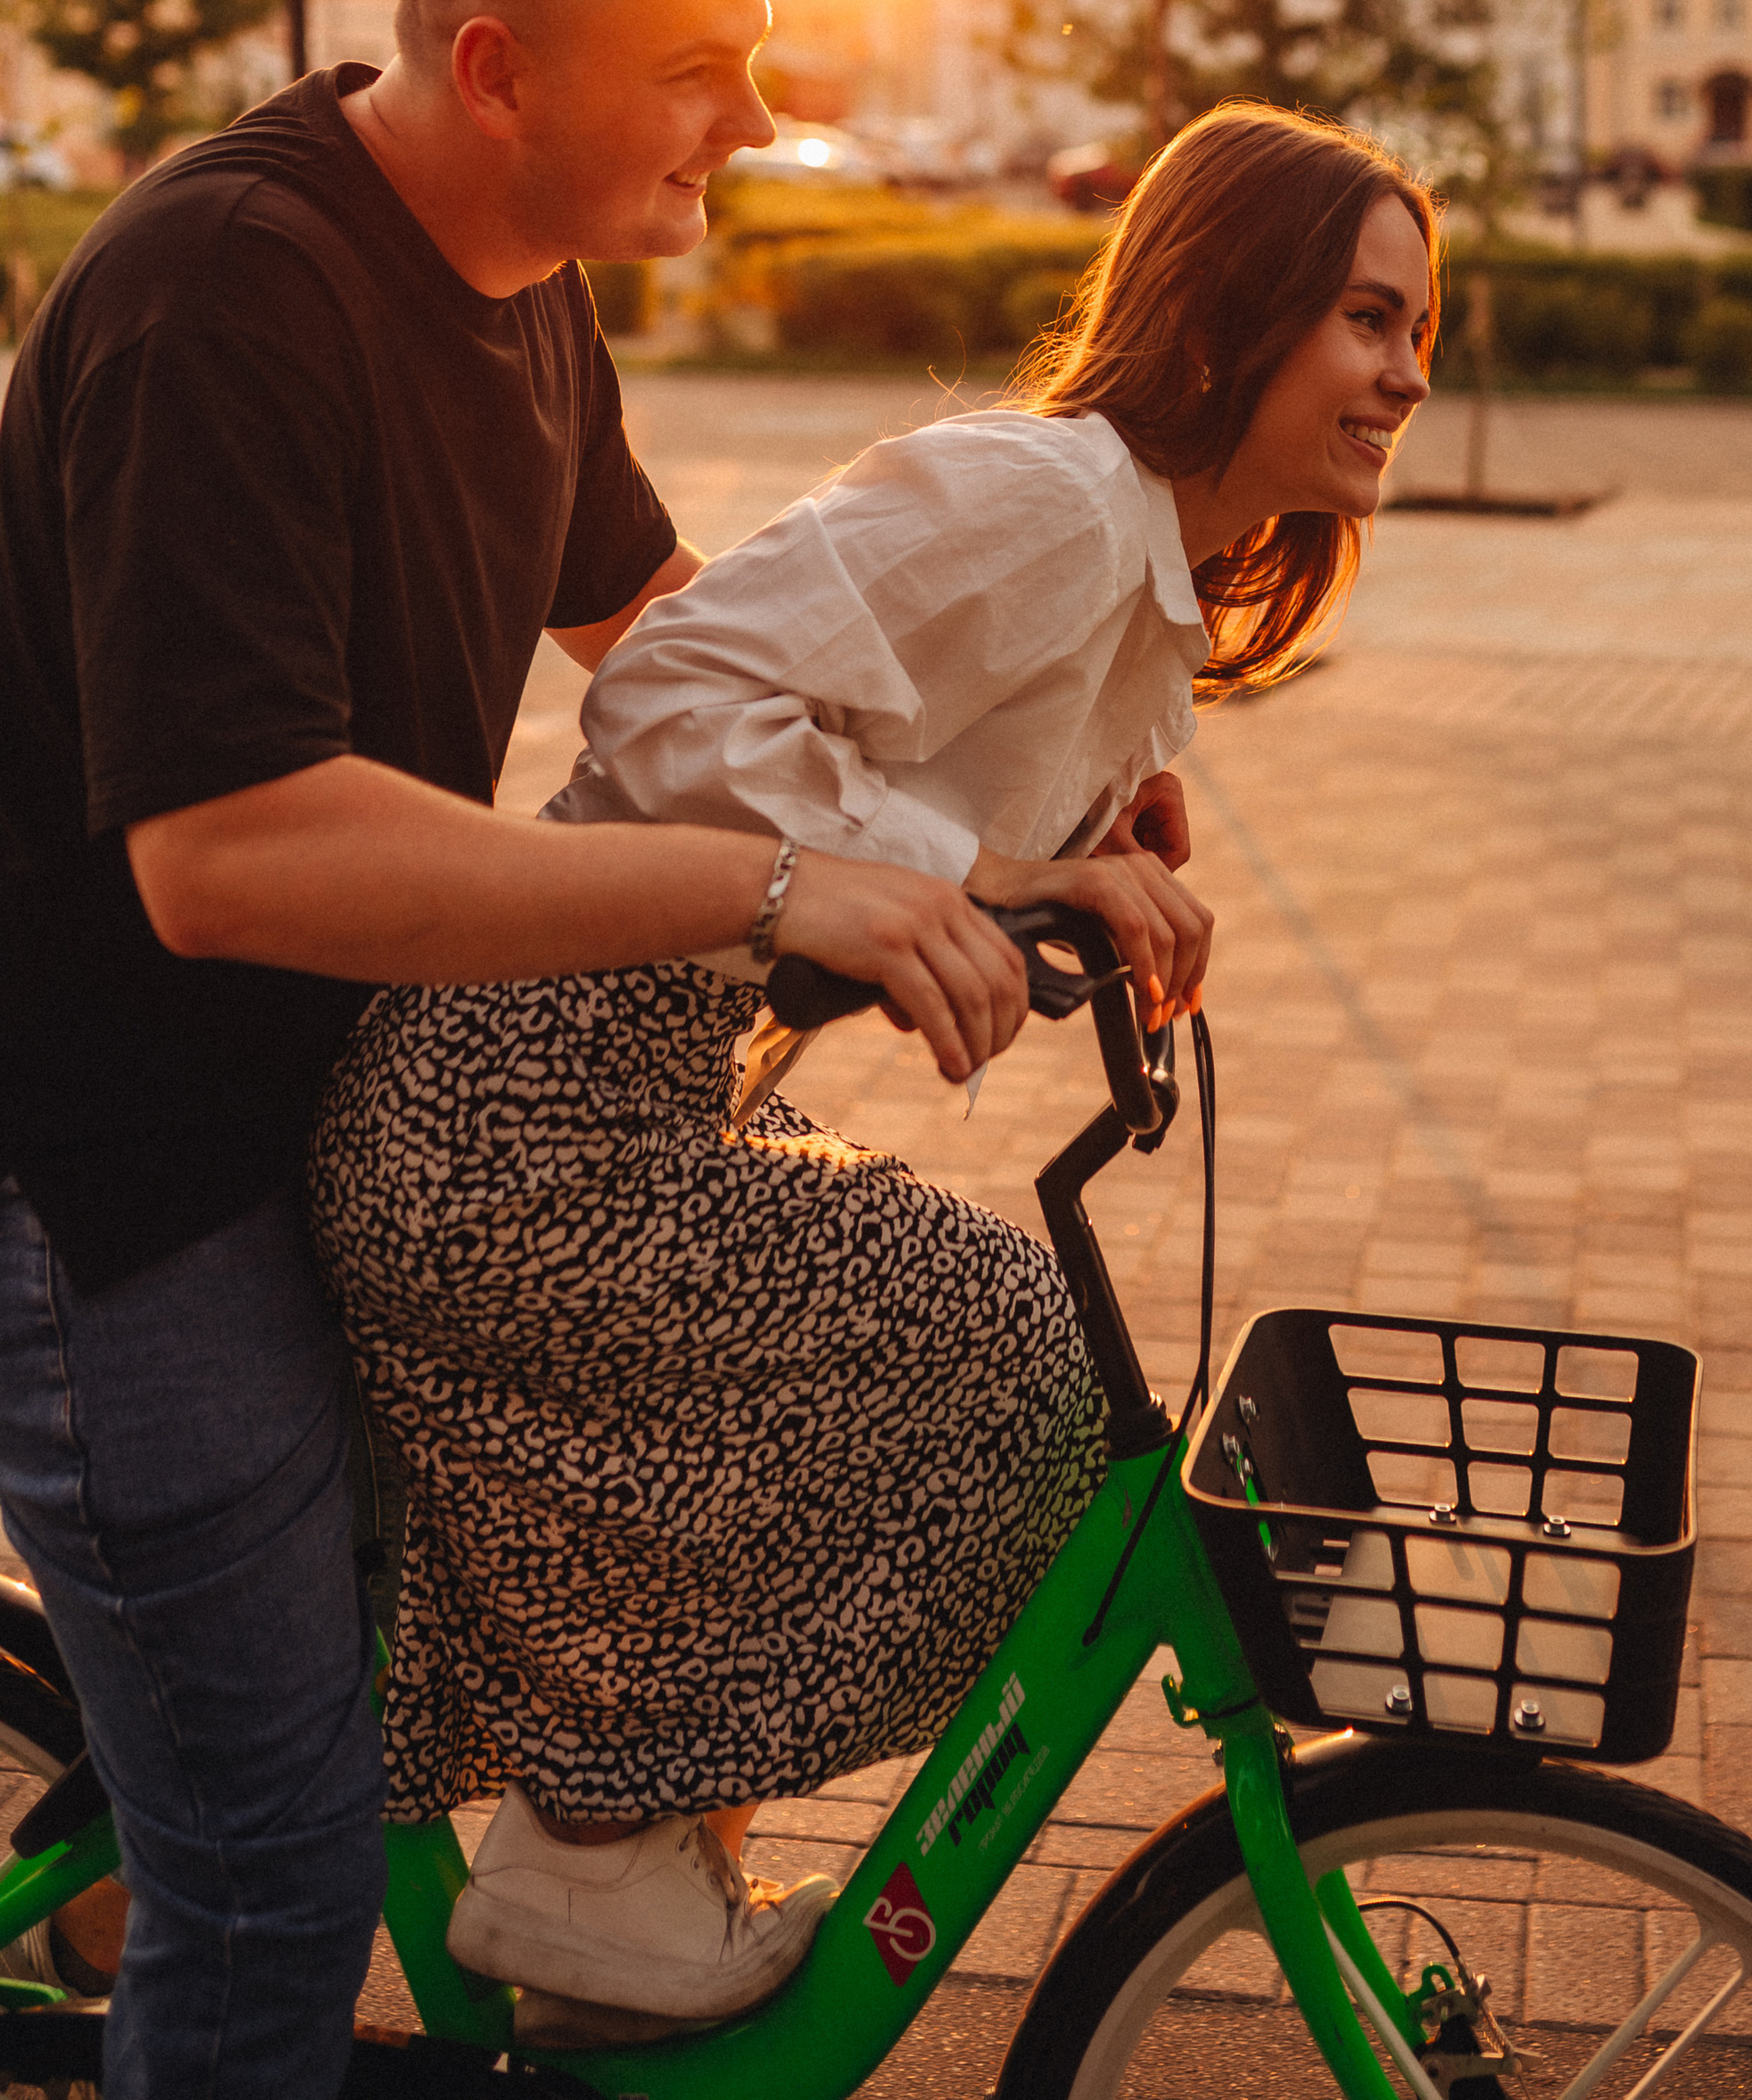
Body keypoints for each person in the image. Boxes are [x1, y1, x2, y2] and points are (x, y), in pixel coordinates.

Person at [0, 0, 1061, 2100]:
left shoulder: (520, 279)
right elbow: (230, 855)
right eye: (697, 68)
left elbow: (670, 654)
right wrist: (782, 889)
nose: (756, 122)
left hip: (334, 1109)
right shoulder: (226, 296)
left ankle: (214, 1799)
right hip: (110, 1174)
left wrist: (986, 845)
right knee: (273, 1887)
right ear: (497, 70)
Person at [305, 100, 1437, 2045]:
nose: (1404, 374)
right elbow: (664, 695)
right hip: (509, 1111)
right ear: (1231, 306)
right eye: (1361, 317)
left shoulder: (1140, 568)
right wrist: (972, 872)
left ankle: (623, 1884)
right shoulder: (1052, 502)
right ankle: (592, 1851)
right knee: (985, 1332)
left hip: (631, 1090)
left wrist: (1078, 865)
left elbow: (924, 793)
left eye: (1421, 329)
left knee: (958, 1371)